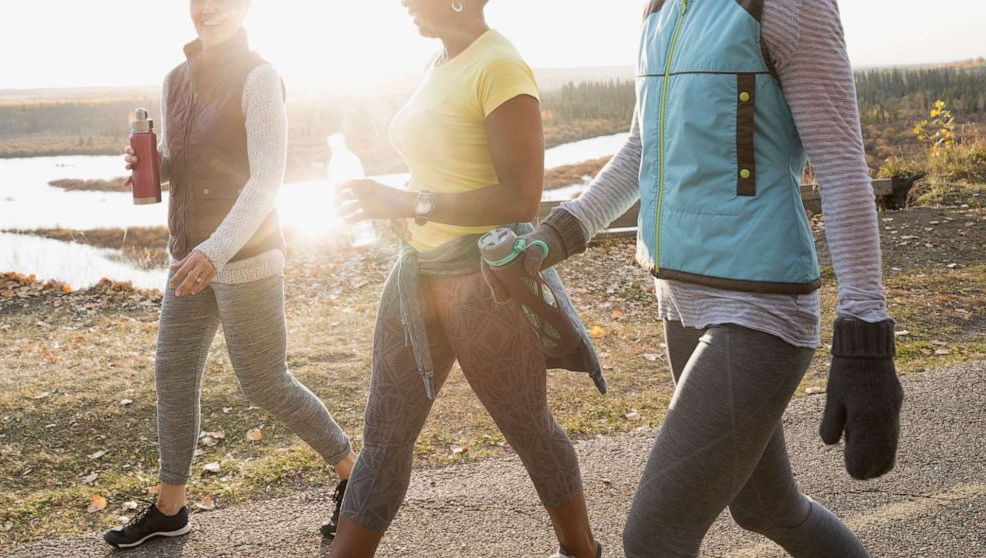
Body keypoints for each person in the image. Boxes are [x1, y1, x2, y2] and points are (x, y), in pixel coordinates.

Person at [495, 0, 904, 556]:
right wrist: (558, 234)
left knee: (653, 538)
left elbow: (840, 162)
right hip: (681, 301)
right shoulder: (660, 10)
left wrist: (865, 332)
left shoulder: (787, 6)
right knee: (767, 509)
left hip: (761, 306)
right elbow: (642, 147)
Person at [327, 1, 604, 556]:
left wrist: (410, 200)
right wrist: (401, 204)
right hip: (416, 276)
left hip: (483, 282)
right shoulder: (440, 61)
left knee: (528, 427)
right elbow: (443, 166)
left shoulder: (500, 65)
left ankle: (582, 553)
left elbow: (521, 196)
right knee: (384, 437)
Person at [105, 0, 356, 548]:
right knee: (173, 374)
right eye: (200, 0)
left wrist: (216, 252)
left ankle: (351, 472)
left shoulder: (260, 77)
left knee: (265, 383)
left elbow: (266, 178)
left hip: (246, 260)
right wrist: (155, 167)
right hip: (188, 257)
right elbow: (192, 160)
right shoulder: (175, 79)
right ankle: (170, 508)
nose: (208, 9)